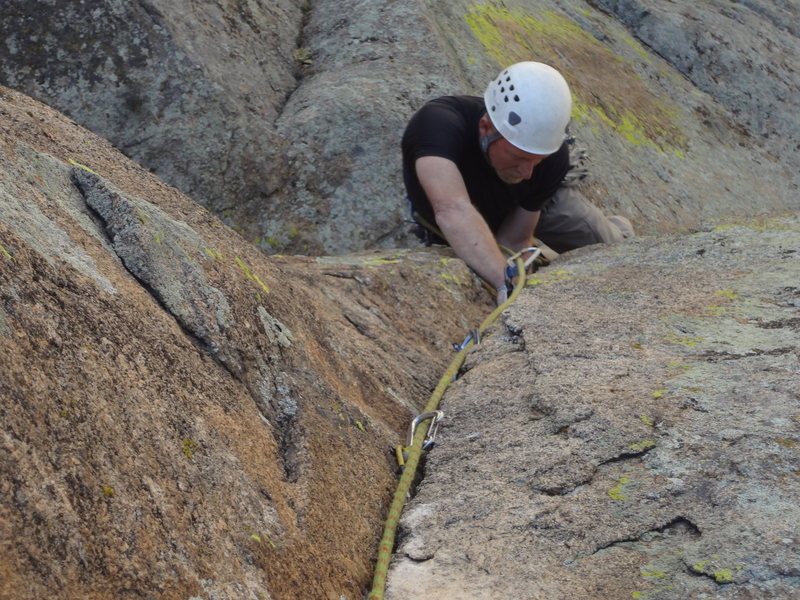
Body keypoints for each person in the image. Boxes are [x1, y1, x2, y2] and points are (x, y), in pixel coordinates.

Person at [402, 61, 634, 305]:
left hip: (535, 202)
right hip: (462, 207)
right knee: (477, 254)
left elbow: (514, 241)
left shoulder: (550, 161)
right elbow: (452, 209)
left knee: (615, 252)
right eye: (519, 157)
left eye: (537, 160)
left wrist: (514, 280)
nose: (527, 171)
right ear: (485, 128)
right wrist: (505, 281)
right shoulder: (437, 125)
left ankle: (620, 227)